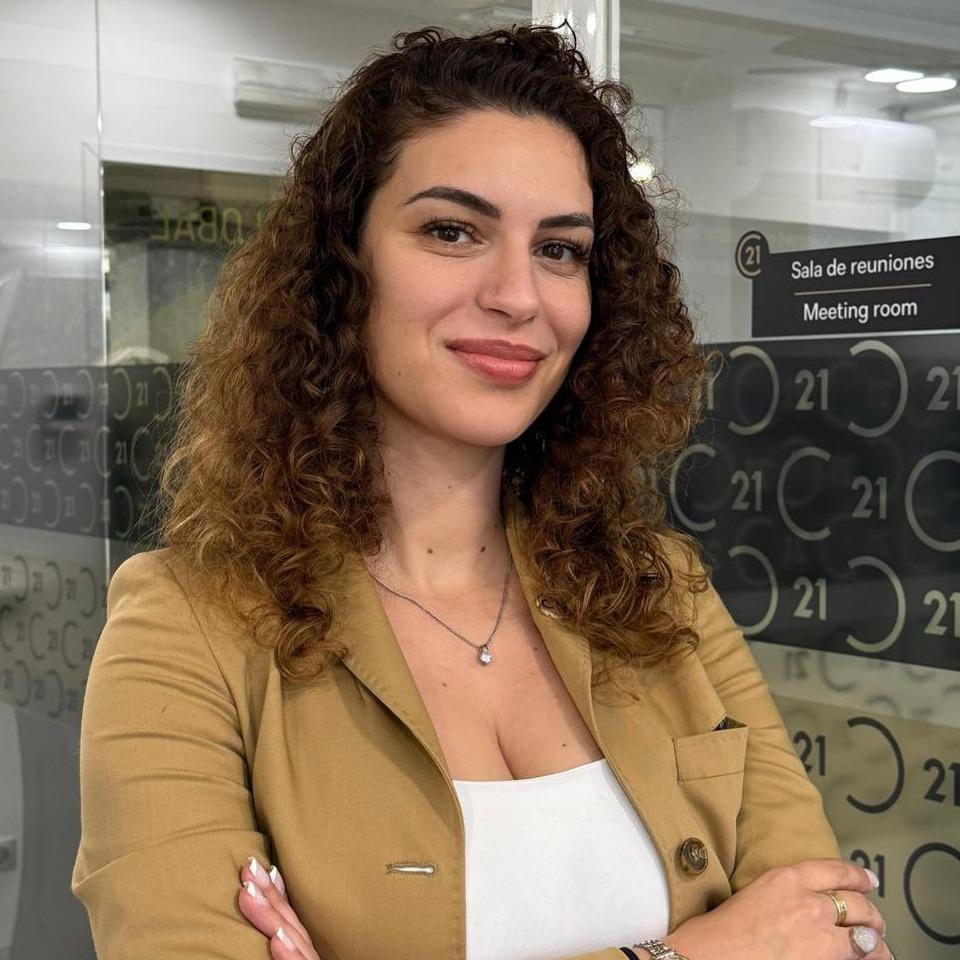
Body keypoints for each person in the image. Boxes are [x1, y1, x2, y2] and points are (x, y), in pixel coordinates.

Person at [71, 21, 892, 960]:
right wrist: (699, 951)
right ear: (342, 268)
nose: (519, 294)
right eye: (453, 231)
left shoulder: (660, 592)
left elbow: (839, 938)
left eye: (561, 249)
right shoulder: (187, 627)